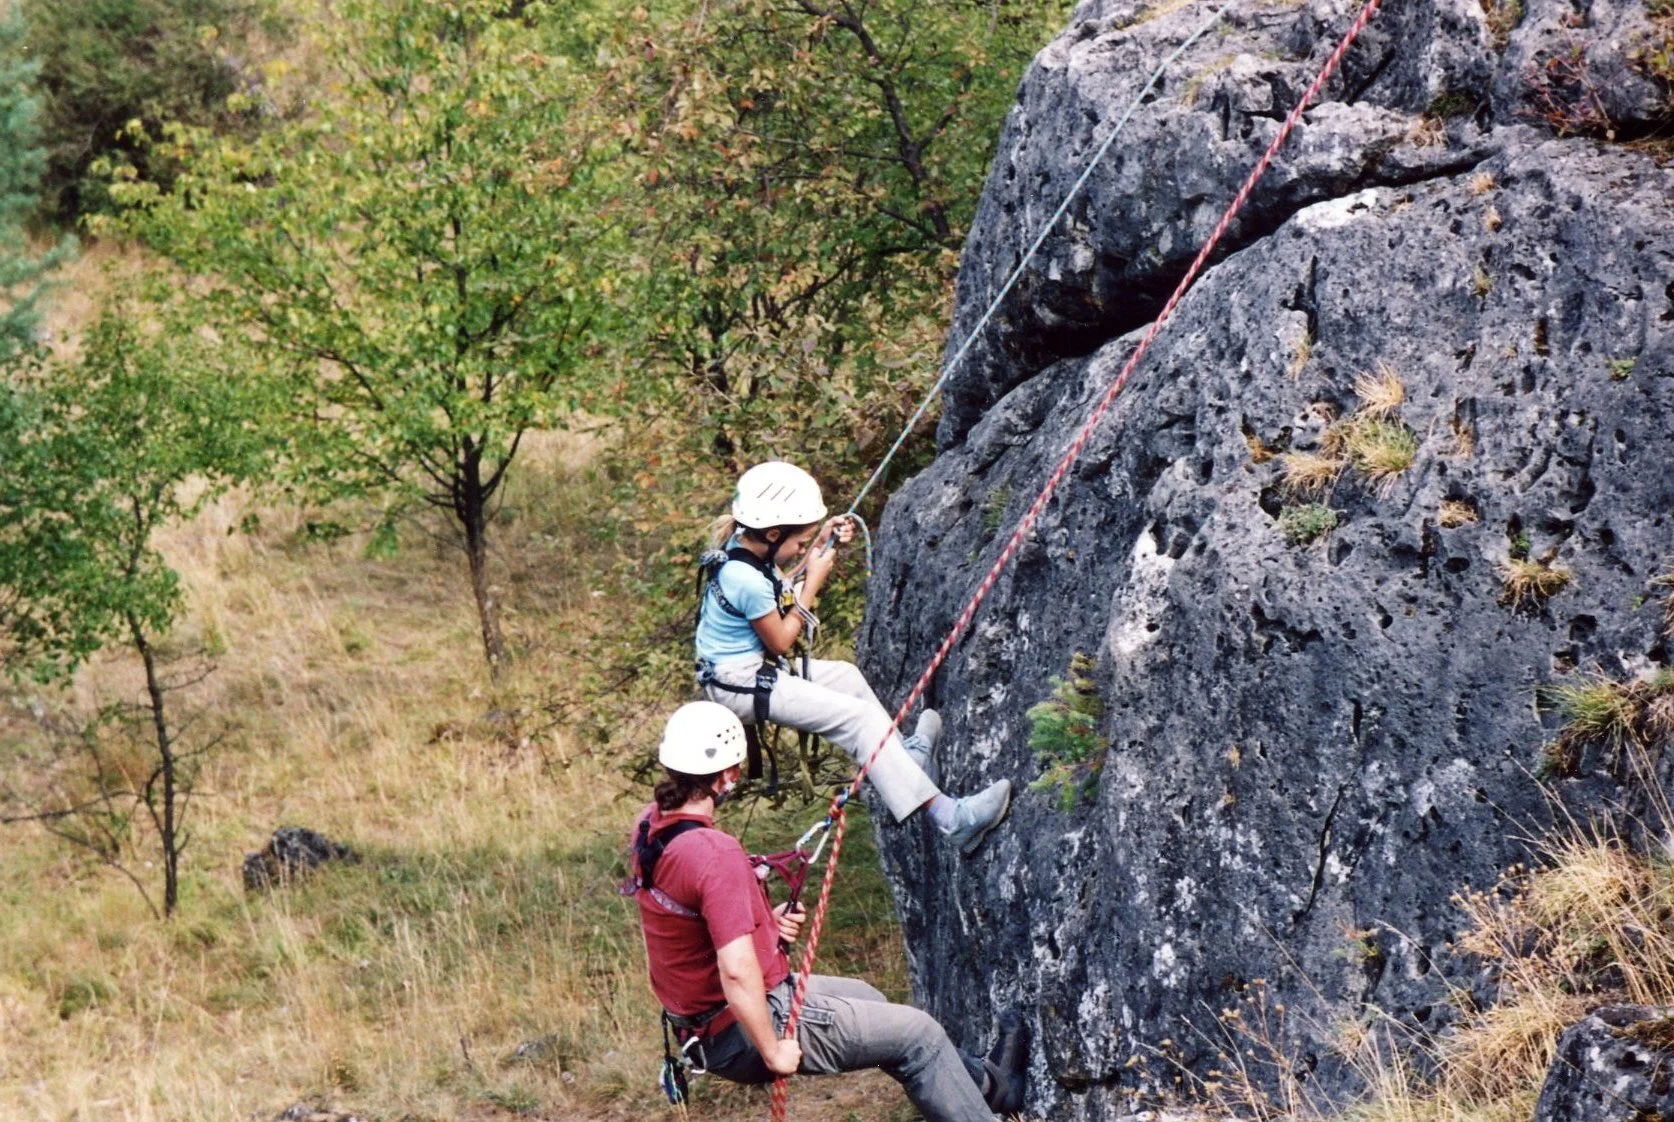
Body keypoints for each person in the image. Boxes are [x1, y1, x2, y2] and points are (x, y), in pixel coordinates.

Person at [630, 701, 1030, 1122]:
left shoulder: (651, 828)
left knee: (869, 1000)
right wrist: (773, 1050)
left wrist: (765, 926)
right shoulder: (714, 852)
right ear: (729, 774)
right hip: (742, 1026)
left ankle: (990, 1087)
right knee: (918, 1035)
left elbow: (686, 920)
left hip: (712, 1024)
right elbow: (735, 969)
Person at [695, 460, 1009, 855]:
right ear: (772, 533)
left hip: (748, 671)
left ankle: (907, 761)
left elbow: (774, 590)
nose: (798, 550)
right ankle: (952, 819)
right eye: (797, 541)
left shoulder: (746, 549)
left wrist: (818, 544)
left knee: (845, 676)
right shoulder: (744, 578)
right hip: (740, 684)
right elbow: (779, 640)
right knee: (856, 720)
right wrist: (814, 583)